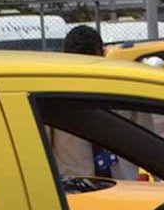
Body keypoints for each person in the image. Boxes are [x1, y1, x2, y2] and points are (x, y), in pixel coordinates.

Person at [49, 25, 143, 180]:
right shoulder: (55, 97)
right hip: (77, 186)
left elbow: (143, 139)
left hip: (119, 183)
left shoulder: (121, 90)